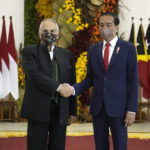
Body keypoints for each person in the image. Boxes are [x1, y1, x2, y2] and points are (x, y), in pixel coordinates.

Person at [59, 12, 139, 150]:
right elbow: (90, 79)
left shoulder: (128, 48)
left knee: (120, 146)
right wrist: (73, 89)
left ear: (117, 27)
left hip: (119, 109)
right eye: (101, 25)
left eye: (109, 25)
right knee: (100, 146)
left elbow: (133, 80)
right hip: (98, 108)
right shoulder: (93, 50)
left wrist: (131, 109)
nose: (105, 28)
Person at [21, 18, 77, 150]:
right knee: (36, 146)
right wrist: (58, 88)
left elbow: (71, 82)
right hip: (38, 109)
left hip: (60, 110)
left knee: (58, 146)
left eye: (52, 31)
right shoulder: (30, 52)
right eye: (45, 31)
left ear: (58, 34)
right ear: (39, 34)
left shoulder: (67, 54)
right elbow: (34, 75)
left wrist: (72, 111)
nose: (49, 33)